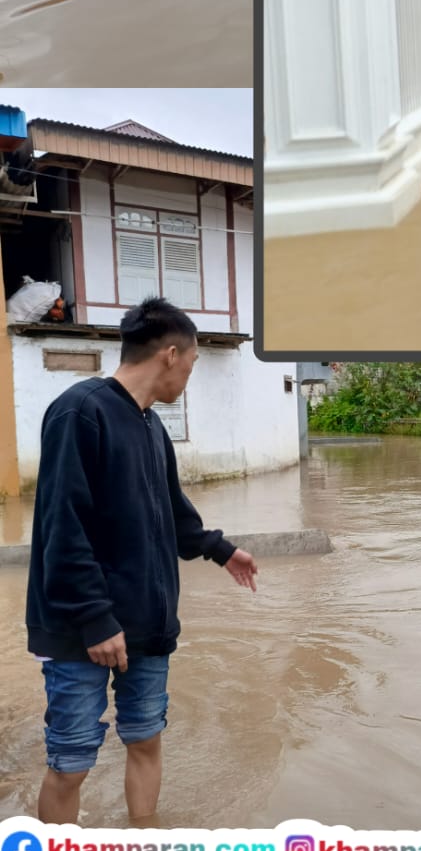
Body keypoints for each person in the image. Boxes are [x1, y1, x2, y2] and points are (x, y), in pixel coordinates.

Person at [25, 297, 258, 824]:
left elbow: (172, 513)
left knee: (147, 741)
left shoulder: (152, 427)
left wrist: (221, 551)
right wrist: (96, 620)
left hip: (147, 625)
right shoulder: (79, 412)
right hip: (82, 630)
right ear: (171, 355)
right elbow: (62, 528)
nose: (188, 378)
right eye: (194, 365)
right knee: (70, 763)